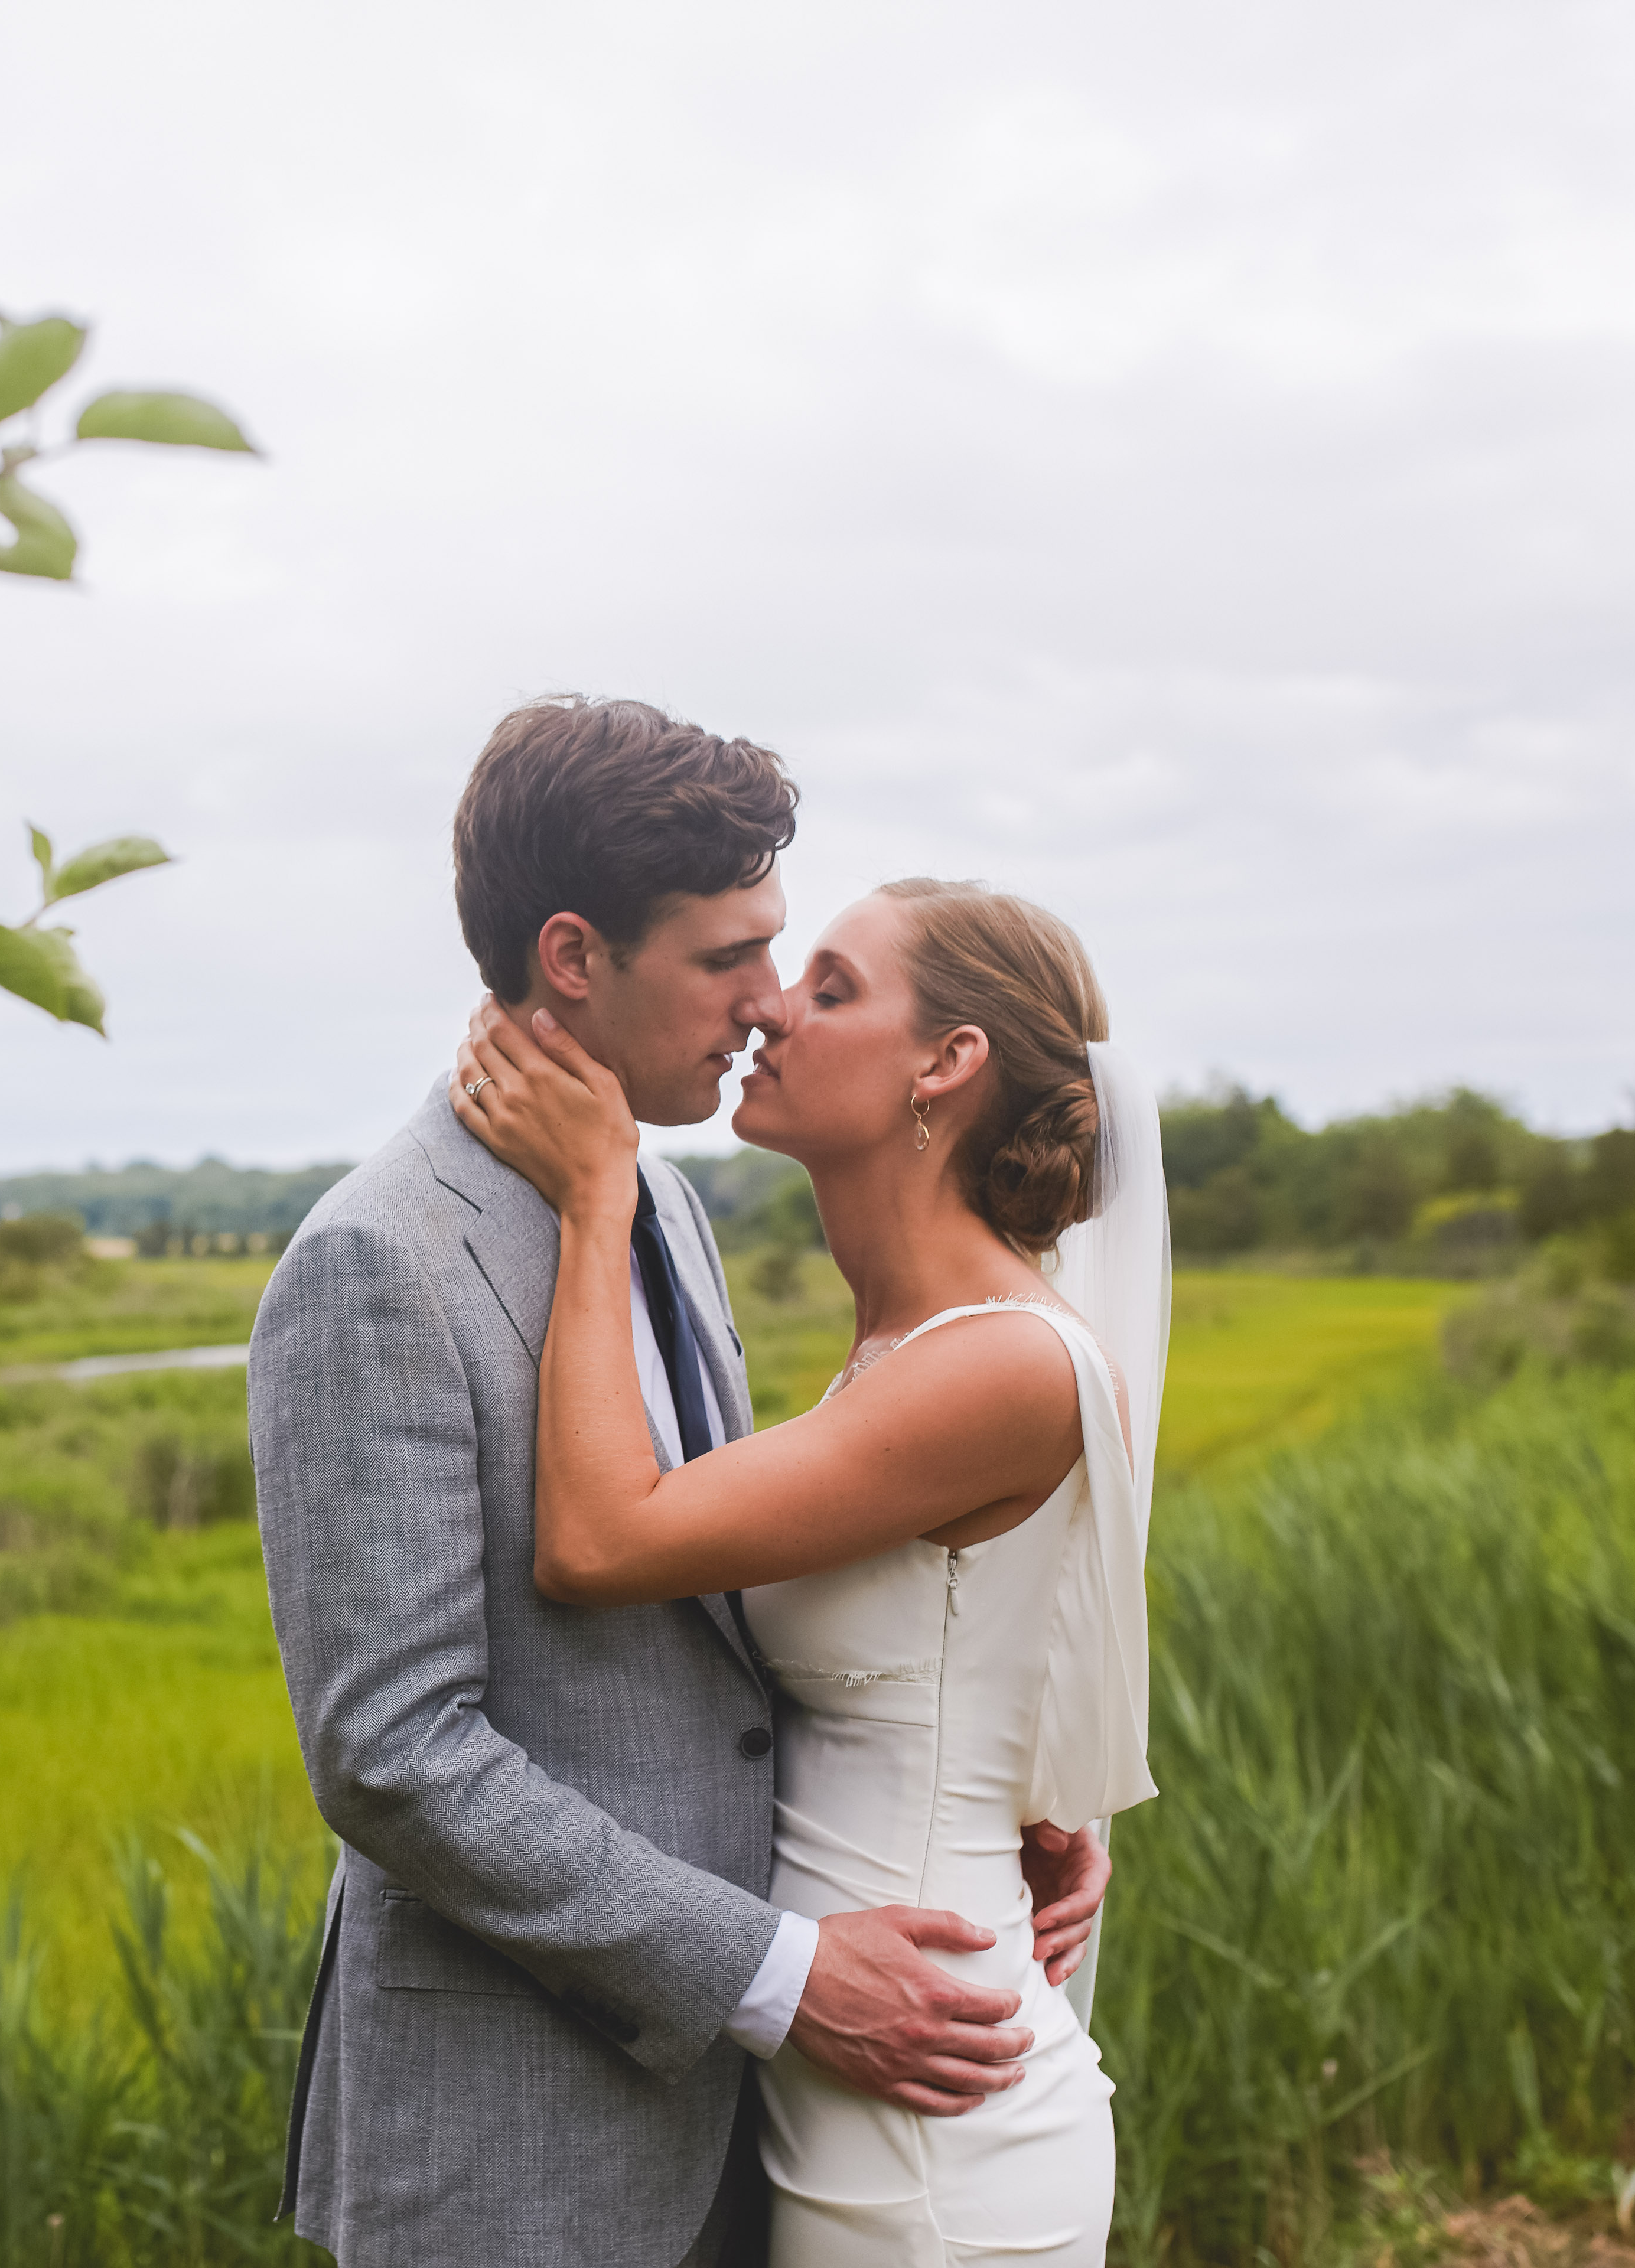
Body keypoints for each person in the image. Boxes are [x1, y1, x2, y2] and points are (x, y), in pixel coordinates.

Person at [250, 698, 1116, 2268]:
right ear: (577, 959)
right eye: (732, 959)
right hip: (519, 2146)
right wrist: (781, 1976)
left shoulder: (661, 1209)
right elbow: (389, 1754)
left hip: (750, 2127)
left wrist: (997, 1795)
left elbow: (727, 1638)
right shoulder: (379, 1263)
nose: (767, 1003)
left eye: (792, 959)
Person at [448, 871, 1171, 2266]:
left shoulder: (1004, 1363)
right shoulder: (911, 1352)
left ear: (944, 1068)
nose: (772, 1008)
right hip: (850, 2084)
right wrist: (1035, 1799)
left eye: (833, 988)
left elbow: (602, 1542)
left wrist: (599, 1199)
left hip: (931, 2139)